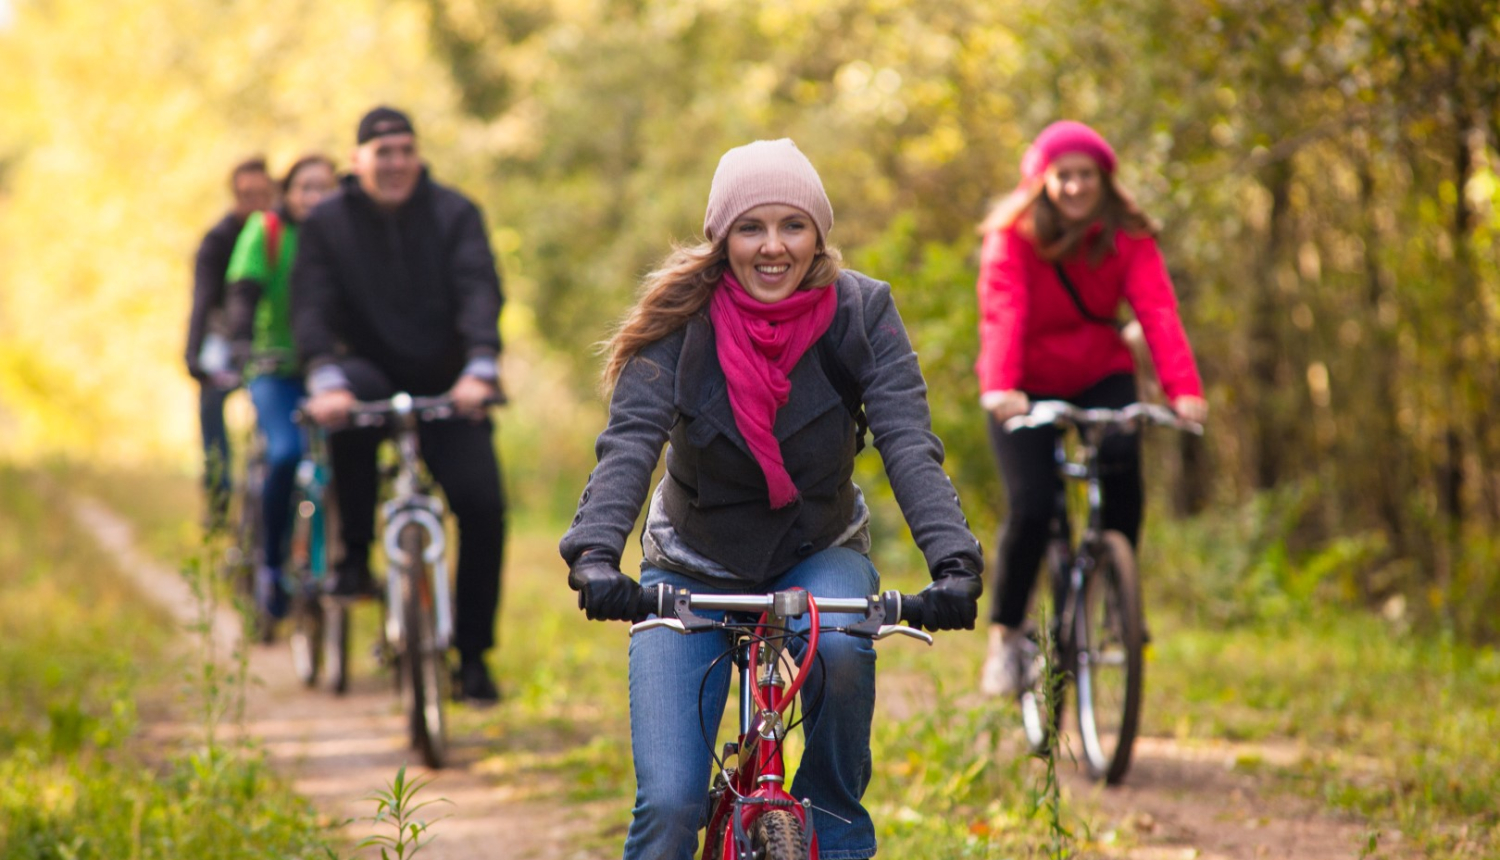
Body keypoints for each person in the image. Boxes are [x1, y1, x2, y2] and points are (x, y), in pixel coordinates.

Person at [560, 139, 984, 860]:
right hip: (691, 565)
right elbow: (630, 442)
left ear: (818, 233)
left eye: (793, 225)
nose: (773, 247)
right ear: (722, 237)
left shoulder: (863, 312)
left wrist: (953, 562)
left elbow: (909, 443)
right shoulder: (679, 320)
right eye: (751, 227)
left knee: (844, 652)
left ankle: (834, 828)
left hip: (816, 550)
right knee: (668, 808)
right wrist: (597, 555)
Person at [974, 120, 1209, 696]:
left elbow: (1157, 310)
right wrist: (1003, 386)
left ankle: (1113, 591)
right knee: (1032, 506)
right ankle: (1007, 636)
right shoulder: (1014, 235)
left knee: (1125, 464)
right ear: (1043, 180)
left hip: (1101, 372)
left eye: (1087, 175)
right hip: (1023, 384)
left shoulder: (1127, 235)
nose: (1077, 187)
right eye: (1065, 176)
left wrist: (1183, 390)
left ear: (1105, 180)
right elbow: (1004, 312)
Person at [292, 107, 506, 703]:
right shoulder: (327, 223)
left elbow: (478, 290)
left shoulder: (455, 213)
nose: (395, 163)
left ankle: (473, 657)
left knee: (483, 506)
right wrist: (324, 377)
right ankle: (355, 555)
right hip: (365, 371)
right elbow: (310, 304)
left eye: (405, 150)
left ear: (417, 155)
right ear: (356, 160)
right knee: (349, 411)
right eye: (382, 152)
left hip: (448, 378)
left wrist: (481, 366)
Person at [224, 154, 338, 620]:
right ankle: (270, 563)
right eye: (305, 187)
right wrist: (240, 342)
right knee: (286, 453)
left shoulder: (341, 235)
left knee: (339, 462)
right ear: (285, 193)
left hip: (327, 370)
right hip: (275, 367)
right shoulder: (267, 232)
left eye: (325, 187)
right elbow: (243, 293)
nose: (315, 197)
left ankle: (335, 560)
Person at [185, 157, 274, 525]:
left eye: (261, 194)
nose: (253, 202)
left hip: (273, 338)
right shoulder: (218, 239)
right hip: (225, 337)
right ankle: (219, 491)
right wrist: (193, 352)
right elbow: (202, 299)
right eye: (245, 195)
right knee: (211, 400)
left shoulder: (285, 230)